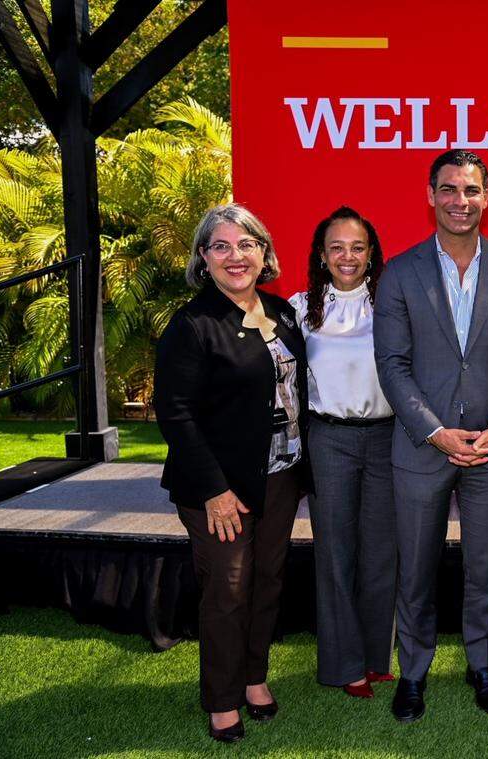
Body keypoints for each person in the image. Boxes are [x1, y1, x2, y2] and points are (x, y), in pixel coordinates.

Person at [373, 149, 488, 722]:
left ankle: (483, 665)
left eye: (470, 191)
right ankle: (413, 672)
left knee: (485, 566)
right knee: (415, 569)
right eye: (448, 189)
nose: (459, 201)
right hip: (422, 447)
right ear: (430, 195)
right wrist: (438, 432)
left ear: (486, 198)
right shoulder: (399, 271)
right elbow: (391, 365)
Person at [155, 203, 310, 743]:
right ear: (204, 258)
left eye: (246, 245)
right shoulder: (192, 324)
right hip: (219, 486)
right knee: (228, 587)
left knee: (267, 580)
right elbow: (174, 412)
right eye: (220, 246)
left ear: (263, 252)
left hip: (281, 473)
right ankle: (222, 700)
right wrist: (216, 490)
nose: (235, 256)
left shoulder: (283, 313)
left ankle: (253, 677)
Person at [288, 207, 396, 700]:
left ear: (371, 253)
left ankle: (376, 657)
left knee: (380, 554)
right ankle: (342, 664)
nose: (347, 256)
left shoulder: (393, 303)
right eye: (336, 247)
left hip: (388, 438)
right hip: (328, 439)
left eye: (357, 247)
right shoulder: (298, 308)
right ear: (321, 255)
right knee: (336, 553)